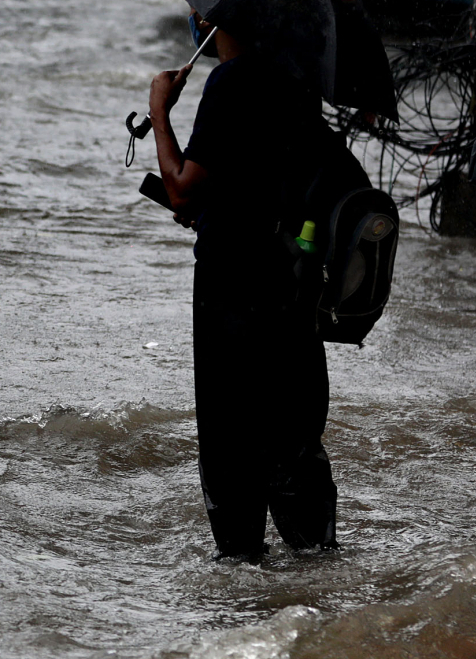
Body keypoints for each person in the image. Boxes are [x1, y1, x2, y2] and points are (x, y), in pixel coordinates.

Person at [147, 9, 336, 562]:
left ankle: (243, 577)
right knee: (292, 433)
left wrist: (160, 112)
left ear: (212, 18)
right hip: (292, 283)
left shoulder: (231, 81)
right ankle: (315, 559)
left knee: (231, 439)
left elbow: (182, 189)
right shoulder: (297, 82)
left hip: (232, 286)